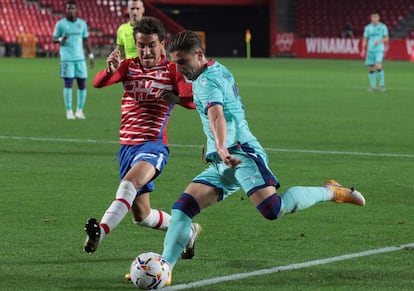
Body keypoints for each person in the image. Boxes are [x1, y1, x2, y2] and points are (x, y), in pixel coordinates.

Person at [159, 31, 366, 284]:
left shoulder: (204, 82)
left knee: (273, 209)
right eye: (175, 63)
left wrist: (222, 146)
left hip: (240, 152)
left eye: (182, 62)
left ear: (199, 55)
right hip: (223, 161)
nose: (179, 70)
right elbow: (209, 103)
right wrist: (180, 100)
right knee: (182, 209)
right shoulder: (215, 69)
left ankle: (332, 191)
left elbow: (216, 114)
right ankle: (164, 269)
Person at [83, 17, 201, 260]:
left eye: (151, 45)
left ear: (162, 43)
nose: (146, 51)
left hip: (153, 146)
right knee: (142, 216)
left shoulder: (171, 70)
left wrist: (175, 98)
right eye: (141, 45)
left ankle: (100, 232)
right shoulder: (128, 66)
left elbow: (192, 99)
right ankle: (188, 231)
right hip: (127, 148)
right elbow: (98, 83)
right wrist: (109, 70)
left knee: (128, 184)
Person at [53, 0, 94, 120]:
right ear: (66, 10)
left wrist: (90, 56)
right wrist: (61, 39)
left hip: (80, 59)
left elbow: (86, 40)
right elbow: (54, 40)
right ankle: (69, 111)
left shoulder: (82, 24)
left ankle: (79, 111)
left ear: (76, 9)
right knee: (68, 84)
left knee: (82, 84)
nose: (71, 10)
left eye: (72, 8)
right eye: (68, 8)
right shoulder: (60, 24)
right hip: (67, 59)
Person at [360, 11, 389, 92]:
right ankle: (373, 87)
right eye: (373, 17)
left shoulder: (383, 27)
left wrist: (380, 41)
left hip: (379, 49)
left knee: (378, 65)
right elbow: (365, 39)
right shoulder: (368, 27)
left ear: (378, 18)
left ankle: (382, 85)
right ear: (371, 18)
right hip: (370, 50)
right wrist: (363, 49)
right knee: (371, 68)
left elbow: (386, 38)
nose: (374, 19)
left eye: (375, 17)